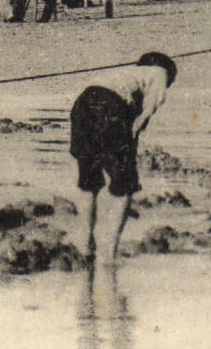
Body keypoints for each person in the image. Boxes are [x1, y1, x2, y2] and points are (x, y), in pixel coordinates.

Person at [69, 52, 178, 261]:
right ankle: (109, 253)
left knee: (88, 181)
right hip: (110, 107)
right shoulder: (159, 73)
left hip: (82, 105)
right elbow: (147, 112)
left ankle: (85, 245)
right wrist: (130, 147)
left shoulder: (126, 74)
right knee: (125, 185)